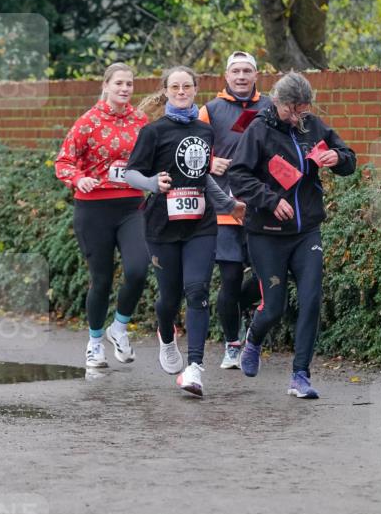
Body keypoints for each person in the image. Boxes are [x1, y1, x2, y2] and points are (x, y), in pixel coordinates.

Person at [228, 71, 356, 399]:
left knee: (311, 300)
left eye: (304, 109)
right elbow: (238, 176)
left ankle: (300, 375)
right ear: (277, 103)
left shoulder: (314, 126)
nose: (298, 116)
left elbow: (349, 160)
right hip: (266, 233)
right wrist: (271, 201)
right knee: (274, 308)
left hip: (306, 231)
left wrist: (337, 158)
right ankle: (253, 340)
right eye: (292, 111)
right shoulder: (258, 130)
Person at [124, 66, 245, 398]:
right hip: (162, 226)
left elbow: (201, 175)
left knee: (197, 291)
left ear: (195, 89)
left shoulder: (204, 131)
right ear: (166, 91)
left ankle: (194, 369)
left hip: (201, 225)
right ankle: (166, 334)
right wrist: (153, 183)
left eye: (187, 86)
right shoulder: (153, 132)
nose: (181, 91)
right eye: (175, 87)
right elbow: (130, 173)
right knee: (168, 299)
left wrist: (228, 204)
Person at [55, 62, 150, 369]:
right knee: (102, 280)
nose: (125, 89)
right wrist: (78, 178)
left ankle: (119, 328)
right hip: (94, 208)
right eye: (119, 83)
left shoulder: (140, 120)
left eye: (129, 84)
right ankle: (95, 343)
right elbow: (64, 161)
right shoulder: (88, 122)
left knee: (138, 268)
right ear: (106, 85)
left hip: (131, 206)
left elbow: (151, 158)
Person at [198, 50, 271, 370]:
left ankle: (245, 313)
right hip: (225, 209)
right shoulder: (210, 110)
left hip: (262, 207)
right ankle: (232, 345)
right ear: (226, 77)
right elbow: (189, 150)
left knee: (264, 277)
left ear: (257, 75)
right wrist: (210, 162)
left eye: (247, 71)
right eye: (235, 71)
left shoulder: (270, 106)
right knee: (228, 279)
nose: (241, 77)